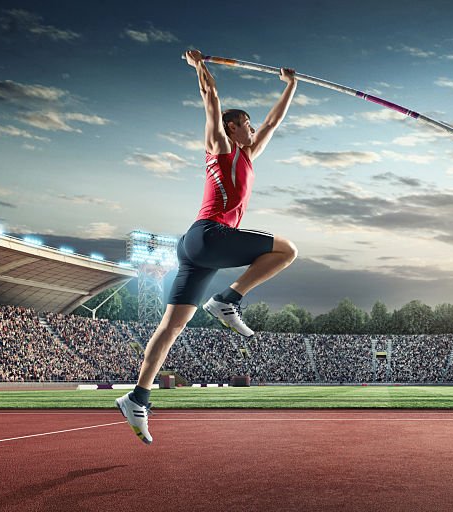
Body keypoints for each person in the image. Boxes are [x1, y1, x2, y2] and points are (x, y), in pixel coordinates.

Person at [116, 49, 299, 444]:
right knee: (286, 250)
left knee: (172, 327)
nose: (252, 129)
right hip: (209, 234)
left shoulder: (249, 155)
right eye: (245, 124)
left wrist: (291, 86)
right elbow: (210, 101)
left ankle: (137, 397)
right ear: (232, 128)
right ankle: (227, 300)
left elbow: (273, 122)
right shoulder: (220, 147)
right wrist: (201, 68)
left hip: (197, 248)